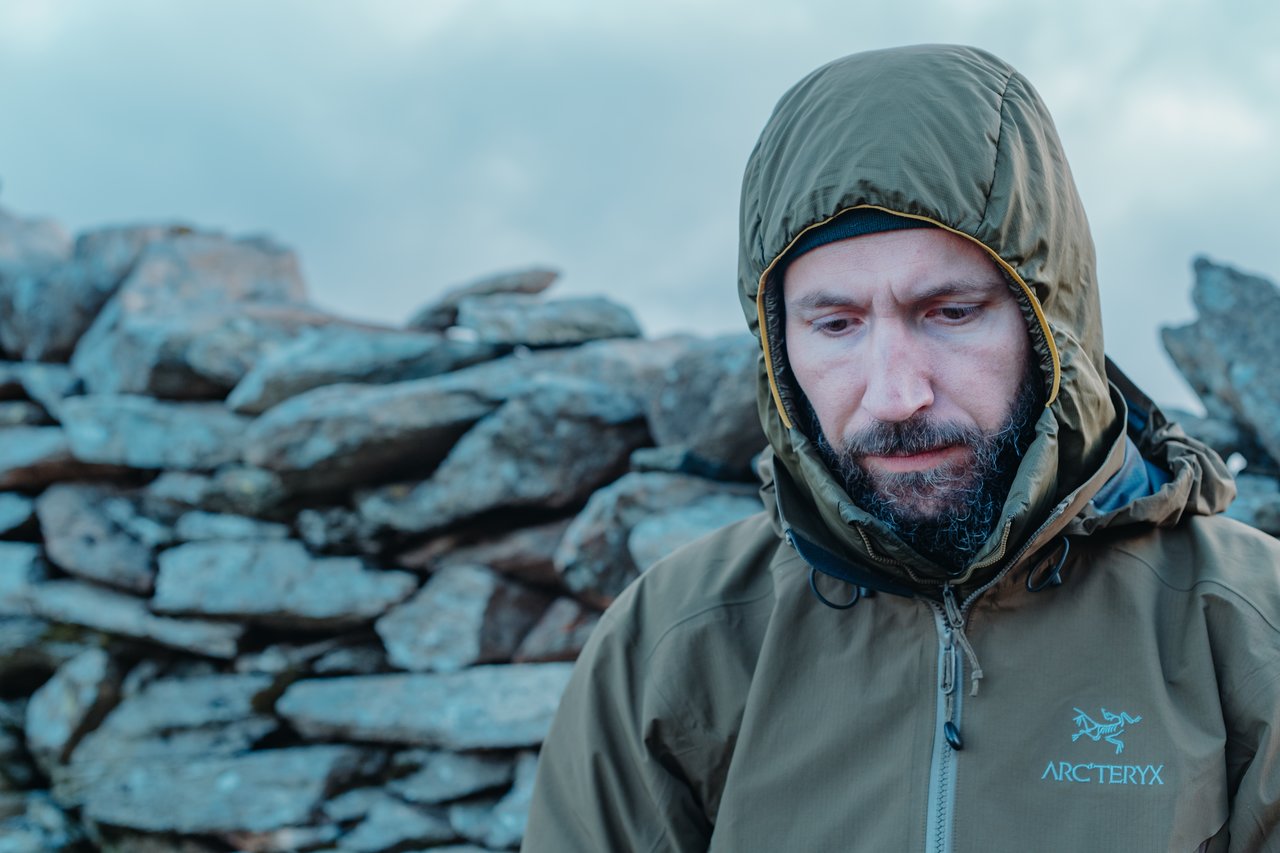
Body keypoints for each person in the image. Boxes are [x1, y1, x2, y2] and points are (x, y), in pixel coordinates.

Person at [522, 44, 1280, 852]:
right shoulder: (678, 641)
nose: (895, 394)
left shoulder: (1246, 628)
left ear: (1049, 322)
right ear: (780, 348)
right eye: (836, 323)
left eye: (950, 310)